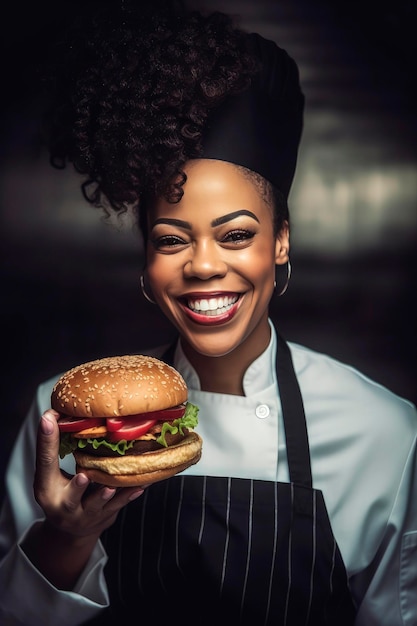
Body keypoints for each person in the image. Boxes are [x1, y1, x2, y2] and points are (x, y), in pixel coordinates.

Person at [0, 1, 416, 624]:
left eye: (237, 234)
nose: (201, 265)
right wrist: (68, 536)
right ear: (146, 259)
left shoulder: (384, 435)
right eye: (171, 239)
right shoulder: (60, 423)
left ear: (280, 240)